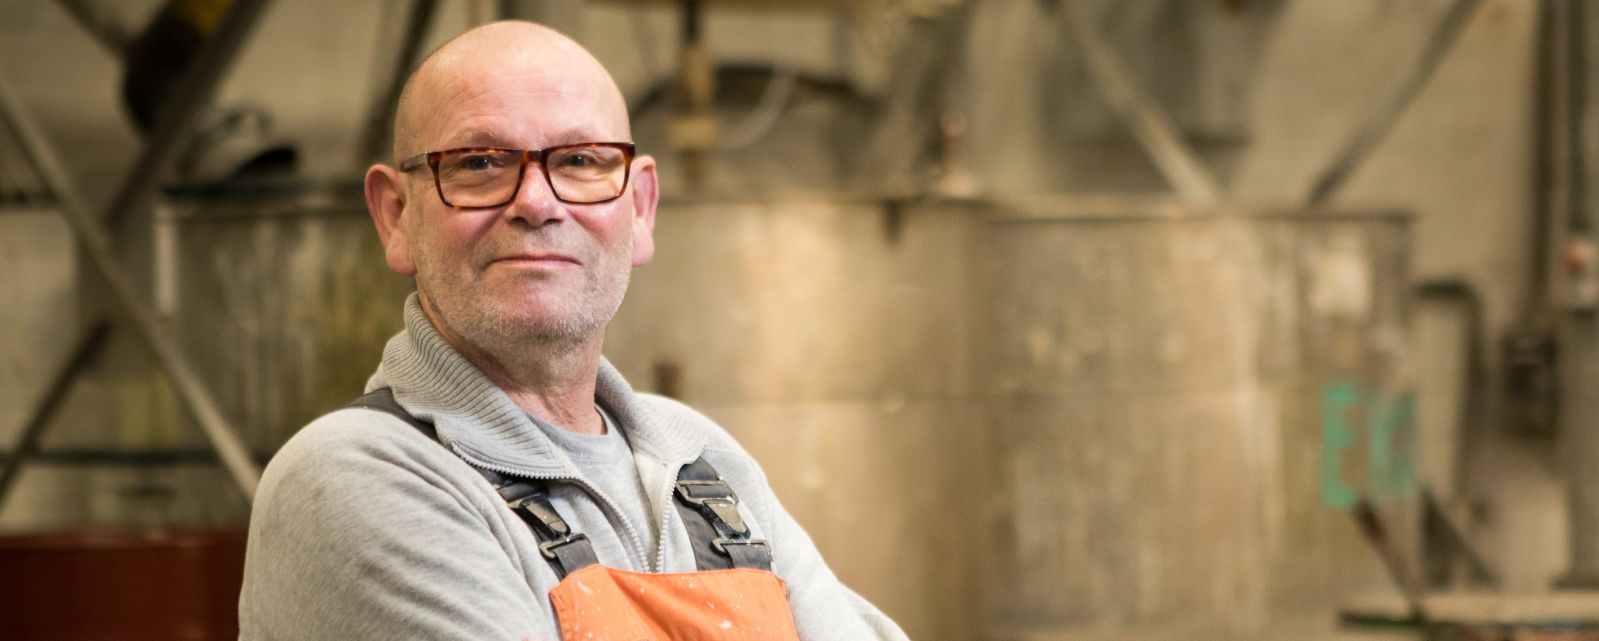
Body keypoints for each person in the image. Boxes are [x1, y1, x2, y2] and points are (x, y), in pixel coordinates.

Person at [237, 20, 909, 641]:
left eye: (582, 161)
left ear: (640, 208)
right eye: (479, 162)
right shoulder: (357, 477)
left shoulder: (700, 458)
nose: (536, 202)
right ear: (395, 216)